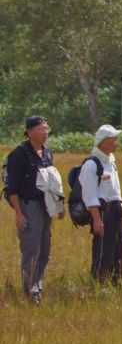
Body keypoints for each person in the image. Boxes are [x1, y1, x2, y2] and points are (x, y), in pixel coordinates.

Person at [5, 115, 64, 303]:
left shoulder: (47, 152)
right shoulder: (19, 155)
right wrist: (19, 213)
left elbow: (52, 183)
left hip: (46, 206)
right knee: (31, 250)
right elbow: (12, 188)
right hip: (28, 206)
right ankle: (30, 293)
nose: (45, 132)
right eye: (41, 129)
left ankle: (38, 287)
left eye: (47, 129)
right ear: (30, 132)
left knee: (45, 250)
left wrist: (59, 206)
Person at [80, 124, 122, 285]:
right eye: (112, 140)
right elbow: (89, 195)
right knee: (103, 251)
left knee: (120, 251)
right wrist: (96, 219)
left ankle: (115, 284)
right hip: (102, 213)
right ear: (102, 143)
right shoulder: (92, 164)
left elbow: (117, 191)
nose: (116, 143)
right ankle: (97, 285)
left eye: (116, 139)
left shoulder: (111, 162)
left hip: (116, 211)